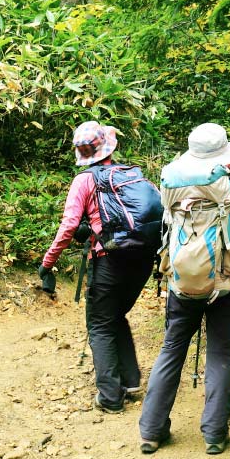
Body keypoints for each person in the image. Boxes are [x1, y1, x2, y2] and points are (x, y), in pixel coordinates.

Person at [138, 123, 230, 456]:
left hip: (181, 282)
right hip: (227, 282)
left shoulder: (173, 185)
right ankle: (215, 435)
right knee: (219, 352)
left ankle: (151, 431)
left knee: (171, 349)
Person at [40, 121, 155, 414]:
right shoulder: (132, 175)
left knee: (100, 324)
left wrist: (48, 263)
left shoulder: (84, 180)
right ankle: (130, 381)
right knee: (115, 316)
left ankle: (110, 397)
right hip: (142, 259)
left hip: (109, 261)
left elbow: (69, 225)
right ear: (108, 148)